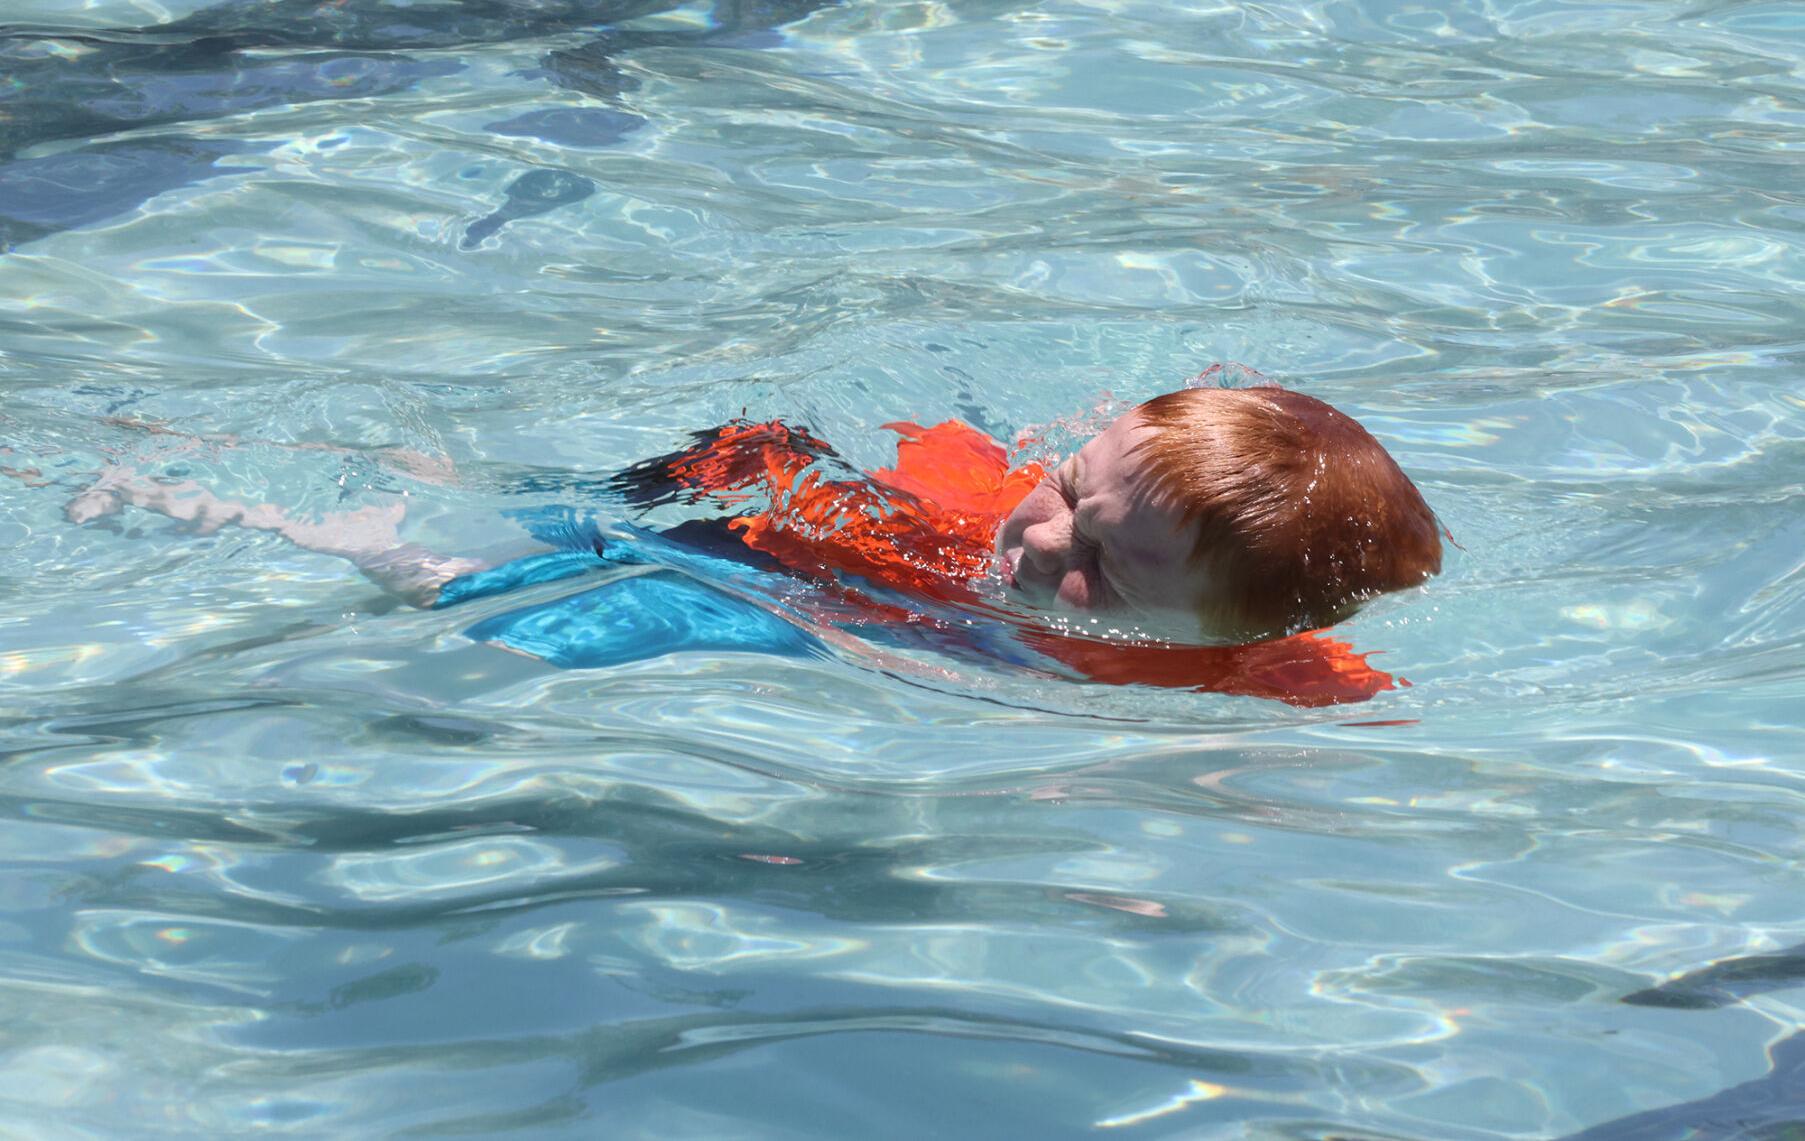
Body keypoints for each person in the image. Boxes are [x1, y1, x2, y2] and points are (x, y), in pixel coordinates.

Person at [66, 383, 1444, 706]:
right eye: (1066, 487)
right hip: (784, 515)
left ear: (1241, 629)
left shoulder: (1273, 677)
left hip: (794, 566)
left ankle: (393, 515)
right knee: (515, 583)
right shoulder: (1000, 527)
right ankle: (279, 509)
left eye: (1104, 560)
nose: (1038, 537)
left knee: (673, 616)